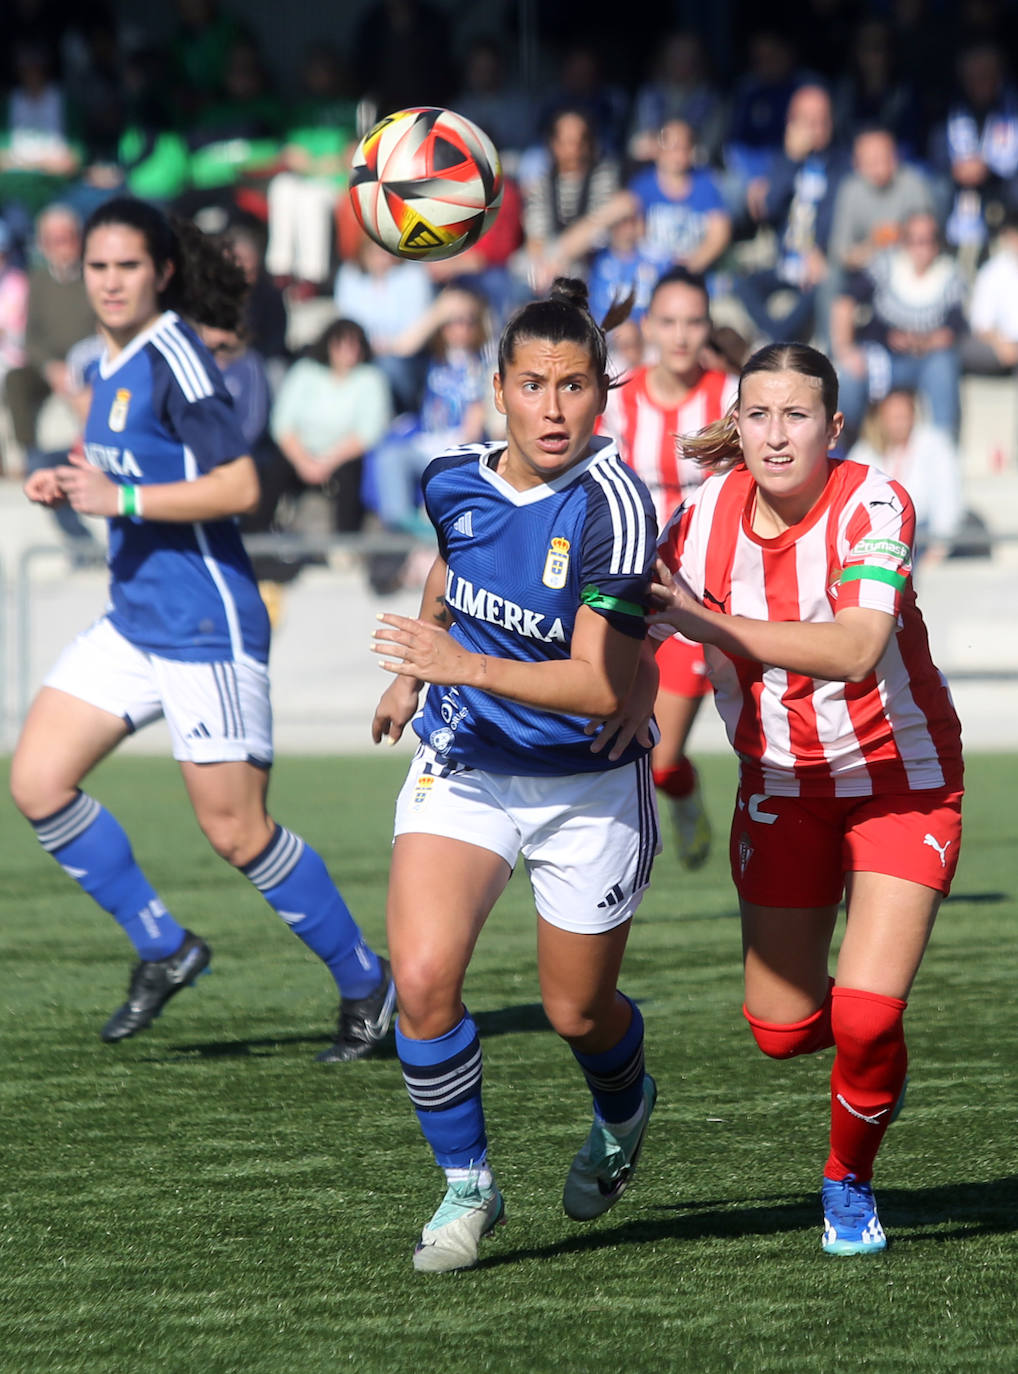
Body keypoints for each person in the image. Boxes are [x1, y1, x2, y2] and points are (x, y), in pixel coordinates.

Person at [8, 197, 395, 1064]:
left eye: (128, 268)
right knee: (37, 780)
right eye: (99, 268)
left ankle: (369, 985)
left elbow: (237, 488)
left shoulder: (176, 356)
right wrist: (68, 481)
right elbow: (123, 468)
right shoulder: (106, 359)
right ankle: (164, 947)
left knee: (237, 833)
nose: (110, 282)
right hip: (136, 617)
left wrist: (124, 500)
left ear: (162, 272)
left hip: (204, 625)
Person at [646, 341, 963, 1255]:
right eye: (758, 415)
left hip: (903, 783)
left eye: (797, 417)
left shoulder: (874, 500)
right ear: (735, 423)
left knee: (865, 1015)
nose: (777, 436)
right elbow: (639, 625)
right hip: (781, 783)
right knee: (782, 1035)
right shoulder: (698, 518)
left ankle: (847, 1182)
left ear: (834, 427)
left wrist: (708, 622)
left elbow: (859, 647)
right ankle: (872, 1052)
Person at [370, 279, 660, 1273]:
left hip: (585, 785)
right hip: (465, 765)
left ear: (600, 396)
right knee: (421, 982)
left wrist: (454, 662)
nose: (552, 406)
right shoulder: (449, 474)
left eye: (573, 385)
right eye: (532, 384)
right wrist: (417, 671)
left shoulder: (614, 505)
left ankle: (623, 1109)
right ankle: (466, 1187)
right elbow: (451, 565)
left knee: (577, 1011)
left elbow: (593, 685)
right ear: (497, 387)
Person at [600, 267, 736, 868]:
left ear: (708, 326)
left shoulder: (732, 398)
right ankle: (678, 792)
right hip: (627, 594)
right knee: (626, 745)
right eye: (670, 322)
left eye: (694, 322)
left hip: (698, 601)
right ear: (649, 326)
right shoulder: (619, 401)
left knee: (655, 753)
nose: (681, 335)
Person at [831, 210, 967, 446]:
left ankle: (944, 448)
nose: (920, 248)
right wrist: (845, 349)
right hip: (882, 357)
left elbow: (954, 328)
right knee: (850, 375)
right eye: (913, 240)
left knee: (944, 367)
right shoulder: (885, 265)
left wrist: (924, 342)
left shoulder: (950, 276)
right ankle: (841, 445)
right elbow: (844, 302)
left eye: (927, 240)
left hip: (927, 361)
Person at [734, 84, 849, 347]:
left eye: (821, 120)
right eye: (806, 121)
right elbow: (768, 210)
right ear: (791, 123)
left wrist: (825, 253)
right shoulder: (781, 160)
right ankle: (778, 335)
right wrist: (791, 159)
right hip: (783, 263)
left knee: (826, 286)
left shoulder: (842, 166)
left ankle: (777, 339)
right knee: (740, 283)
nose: (815, 128)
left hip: (818, 265)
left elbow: (843, 217)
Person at [270, 316, 393, 536]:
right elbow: (282, 423)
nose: (349, 350)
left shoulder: (371, 379)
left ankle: (345, 545)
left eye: (355, 344)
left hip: (342, 459)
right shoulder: (305, 372)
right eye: (342, 343)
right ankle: (259, 538)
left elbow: (368, 433)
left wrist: (325, 463)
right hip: (301, 454)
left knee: (352, 475)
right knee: (270, 469)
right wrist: (304, 462)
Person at [848, 388, 964, 569]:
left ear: (913, 416)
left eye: (903, 416)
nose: (898, 423)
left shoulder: (934, 445)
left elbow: (948, 498)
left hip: (922, 538)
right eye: (892, 417)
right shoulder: (867, 450)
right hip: (878, 536)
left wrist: (939, 547)